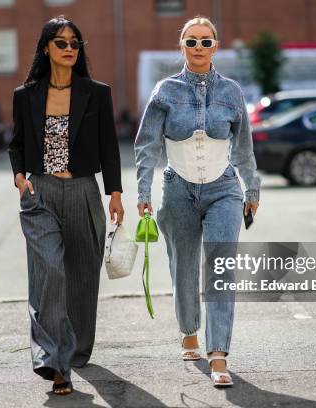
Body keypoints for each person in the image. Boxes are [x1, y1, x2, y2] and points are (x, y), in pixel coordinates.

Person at [134, 16, 261, 387]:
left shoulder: (232, 91)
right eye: (192, 42)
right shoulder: (164, 91)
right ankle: (188, 328)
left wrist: (251, 189)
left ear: (216, 45)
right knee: (183, 267)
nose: (200, 48)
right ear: (182, 46)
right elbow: (145, 147)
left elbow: (243, 149)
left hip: (224, 189)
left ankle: (218, 353)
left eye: (207, 41)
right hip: (177, 190)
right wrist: (142, 193)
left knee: (220, 269)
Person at [8, 15, 124, 396]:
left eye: (75, 42)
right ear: (46, 48)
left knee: (81, 279)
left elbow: (109, 146)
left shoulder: (96, 93)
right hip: (39, 193)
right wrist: (19, 176)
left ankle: (75, 349)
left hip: (83, 192)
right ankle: (54, 362)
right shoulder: (26, 95)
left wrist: (116, 194)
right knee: (50, 274)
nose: (70, 48)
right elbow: (17, 143)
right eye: (61, 43)